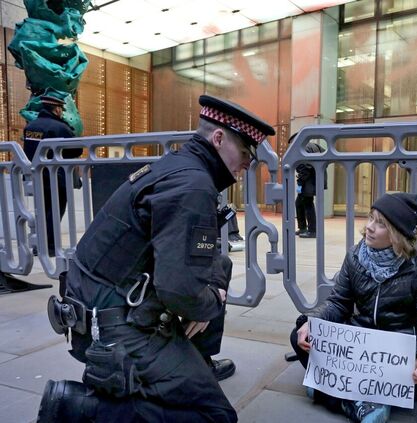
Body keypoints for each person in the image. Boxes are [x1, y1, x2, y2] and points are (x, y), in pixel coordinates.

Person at [38, 95, 275, 422]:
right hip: (113, 325)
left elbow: (193, 266)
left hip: (99, 302)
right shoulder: (193, 186)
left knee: (219, 266)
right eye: (246, 153)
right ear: (218, 138)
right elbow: (179, 291)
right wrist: (210, 302)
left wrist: (203, 298)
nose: (249, 164)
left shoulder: (178, 167)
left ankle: (190, 364)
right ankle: (79, 407)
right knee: (214, 415)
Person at [290, 192, 417, 422]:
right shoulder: (356, 256)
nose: (370, 227)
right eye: (370, 218)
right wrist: (312, 321)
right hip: (358, 346)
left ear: (398, 234)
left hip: (396, 350)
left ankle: (333, 392)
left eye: (381, 224)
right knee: (300, 335)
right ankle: (362, 401)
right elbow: (338, 302)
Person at [23, 94, 82, 256]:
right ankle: (50, 247)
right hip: (57, 178)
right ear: (56, 109)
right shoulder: (60, 127)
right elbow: (77, 149)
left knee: (41, 211)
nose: (62, 112)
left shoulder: (31, 127)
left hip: (37, 177)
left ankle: (39, 246)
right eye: (61, 109)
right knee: (55, 212)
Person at [292, 134, 326, 238]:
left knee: (307, 204)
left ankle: (312, 231)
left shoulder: (303, 148)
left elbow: (304, 169)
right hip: (316, 180)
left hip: (308, 182)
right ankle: (303, 227)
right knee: (300, 203)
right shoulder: (314, 146)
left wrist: (300, 184)